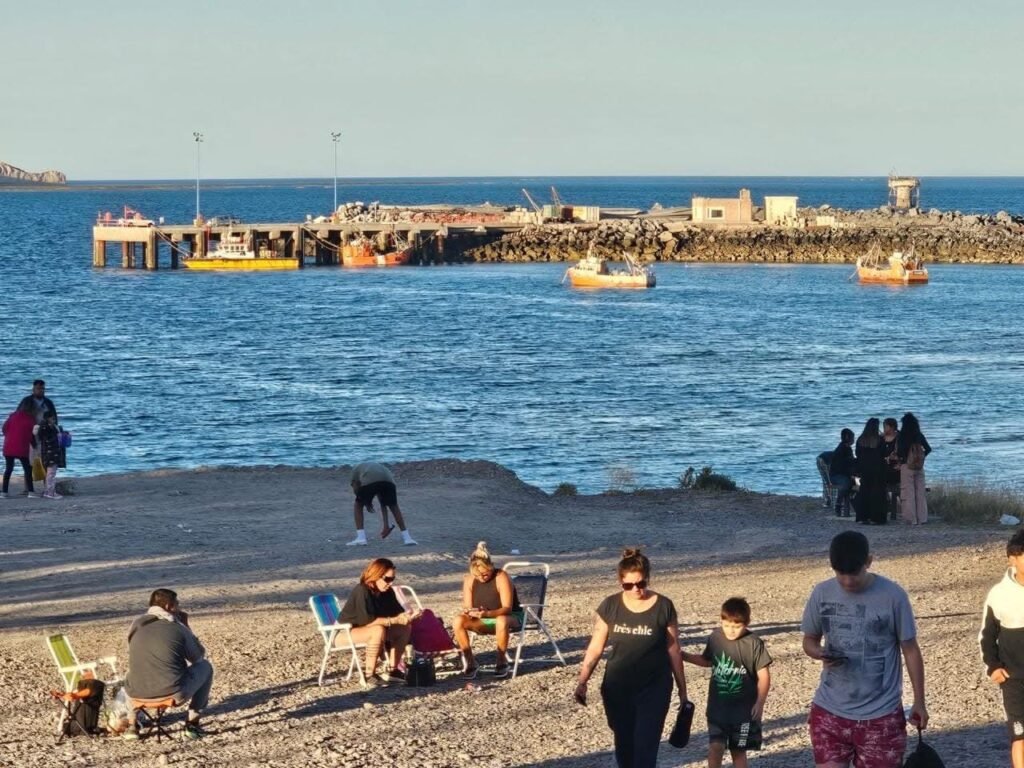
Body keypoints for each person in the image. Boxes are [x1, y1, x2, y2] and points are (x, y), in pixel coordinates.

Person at [802, 531, 928, 768]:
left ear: (869, 562)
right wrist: (817, 652)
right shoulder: (821, 593)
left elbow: (910, 649)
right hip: (829, 711)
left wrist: (919, 701)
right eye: (840, 574)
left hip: (881, 716)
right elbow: (809, 639)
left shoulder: (893, 596)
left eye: (854, 573)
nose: (848, 581)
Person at [574, 548, 688, 768]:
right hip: (617, 686)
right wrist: (583, 681)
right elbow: (595, 648)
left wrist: (683, 690)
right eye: (629, 585)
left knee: (646, 746)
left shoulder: (664, 606)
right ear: (620, 582)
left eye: (641, 583)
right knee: (624, 744)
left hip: (654, 686)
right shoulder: (610, 606)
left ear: (648, 579)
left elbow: (674, 649)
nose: (636, 589)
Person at [682, 597, 771, 768]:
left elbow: (764, 676)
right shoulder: (715, 638)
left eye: (736, 626)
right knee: (715, 747)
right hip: (717, 710)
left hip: (744, 713)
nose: (731, 630)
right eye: (727, 625)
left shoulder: (754, 643)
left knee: (738, 751)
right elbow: (707, 661)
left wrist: (760, 703)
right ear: (721, 620)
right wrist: (684, 656)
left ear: (747, 623)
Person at [125, 588, 214, 739]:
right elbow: (198, 657)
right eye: (177, 604)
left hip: (135, 694)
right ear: (168, 606)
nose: (179, 608)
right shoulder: (177, 626)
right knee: (205, 667)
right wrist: (186, 626)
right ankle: (192, 725)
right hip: (172, 693)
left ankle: (132, 726)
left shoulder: (136, 624)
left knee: (133, 671)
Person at [979, 529, 1024, 768]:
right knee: (1019, 735)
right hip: (1014, 679)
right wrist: (993, 667)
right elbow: (987, 636)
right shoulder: (999, 594)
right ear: (1012, 559)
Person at [339, 557, 420, 687]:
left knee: (404, 628)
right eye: (387, 579)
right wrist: (393, 620)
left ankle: (393, 670)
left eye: (392, 579)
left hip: (370, 630)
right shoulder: (362, 590)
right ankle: (368, 674)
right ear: (376, 575)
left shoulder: (387, 592)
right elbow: (367, 620)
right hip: (344, 632)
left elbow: (397, 613)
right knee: (377, 629)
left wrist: (409, 616)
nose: (390, 583)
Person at [452, 541, 523, 680]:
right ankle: (470, 661)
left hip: (509, 617)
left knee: (501, 620)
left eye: (485, 574)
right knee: (458, 620)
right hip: (483, 618)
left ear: (491, 567)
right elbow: (467, 606)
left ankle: (501, 660)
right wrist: (471, 612)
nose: (481, 578)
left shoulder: (501, 576)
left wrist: (488, 613)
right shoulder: (469, 579)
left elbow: (507, 608)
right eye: (477, 575)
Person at [347, 462, 416, 546]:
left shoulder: (354, 472)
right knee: (393, 506)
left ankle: (361, 538)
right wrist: (386, 525)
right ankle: (407, 538)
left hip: (371, 478)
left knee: (358, 505)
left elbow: (356, 489)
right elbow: (383, 503)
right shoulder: (372, 467)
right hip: (388, 480)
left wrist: (364, 501)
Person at [897, 412, 931, 525]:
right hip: (919, 466)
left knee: (908, 493)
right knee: (920, 493)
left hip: (907, 466)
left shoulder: (902, 436)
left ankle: (912, 519)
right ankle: (922, 518)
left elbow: (900, 451)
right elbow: (928, 449)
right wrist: (921, 457)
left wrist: (903, 459)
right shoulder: (919, 435)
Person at [854, 418, 887, 525]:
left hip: (864, 468)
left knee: (864, 491)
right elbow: (884, 453)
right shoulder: (879, 440)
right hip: (877, 468)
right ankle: (876, 518)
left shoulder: (860, 440)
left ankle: (863, 517)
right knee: (877, 493)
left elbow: (857, 454)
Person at [2, 401, 37, 498]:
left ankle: (4, 492)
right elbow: (32, 435)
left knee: (8, 469)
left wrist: (10, 436)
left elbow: (4, 429)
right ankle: (31, 492)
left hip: (9, 445)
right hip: (22, 446)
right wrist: (34, 445)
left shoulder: (12, 416)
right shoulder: (30, 419)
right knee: (28, 469)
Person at [33, 414, 63, 499]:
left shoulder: (44, 428)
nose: (54, 420)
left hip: (48, 453)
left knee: (50, 473)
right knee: (51, 473)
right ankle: (50, 492)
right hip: (51, 453)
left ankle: (48, 491)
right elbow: (50, 440)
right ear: (48, 419)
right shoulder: (47, 429)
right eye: (52, 419)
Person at [830, 429, 856, 518]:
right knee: (846, 484)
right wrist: (851, 474)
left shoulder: (848, 449)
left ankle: (856, 504)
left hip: (845, 474)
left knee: (857, 483)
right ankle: (838, 503)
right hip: (836, 475)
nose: (853, 440)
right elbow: (841, 467)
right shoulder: (840, 450)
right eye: (853, 437)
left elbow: (851, 463)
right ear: (847, 438)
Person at [880, 418, 901, 521]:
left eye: (886, 426)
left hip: (896, 468)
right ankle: (885, 504)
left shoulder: (899, 438)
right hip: (884, 466)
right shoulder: (881, 438)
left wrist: (898, 459)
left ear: (892, 427)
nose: (884, 428)